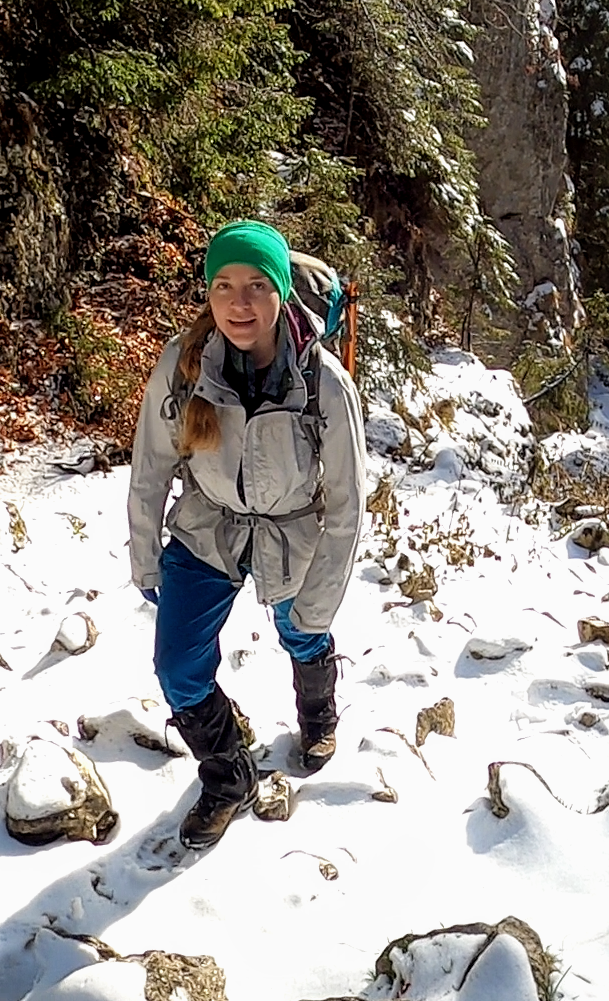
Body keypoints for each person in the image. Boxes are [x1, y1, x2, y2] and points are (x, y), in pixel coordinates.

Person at [127, 220, 368, 850]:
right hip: (207, 525)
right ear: (208, 294)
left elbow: (346, 500)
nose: (239, 302)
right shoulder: (182, 367)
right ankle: (228, 774)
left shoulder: (322, 381)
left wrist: (320, 603)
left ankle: (317, 714)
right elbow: (151, 466)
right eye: (225, 285)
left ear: (281, 294)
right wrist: (145, 554)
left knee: (300, 628)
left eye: (258, 286)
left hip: (293, 530)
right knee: (178, 665)